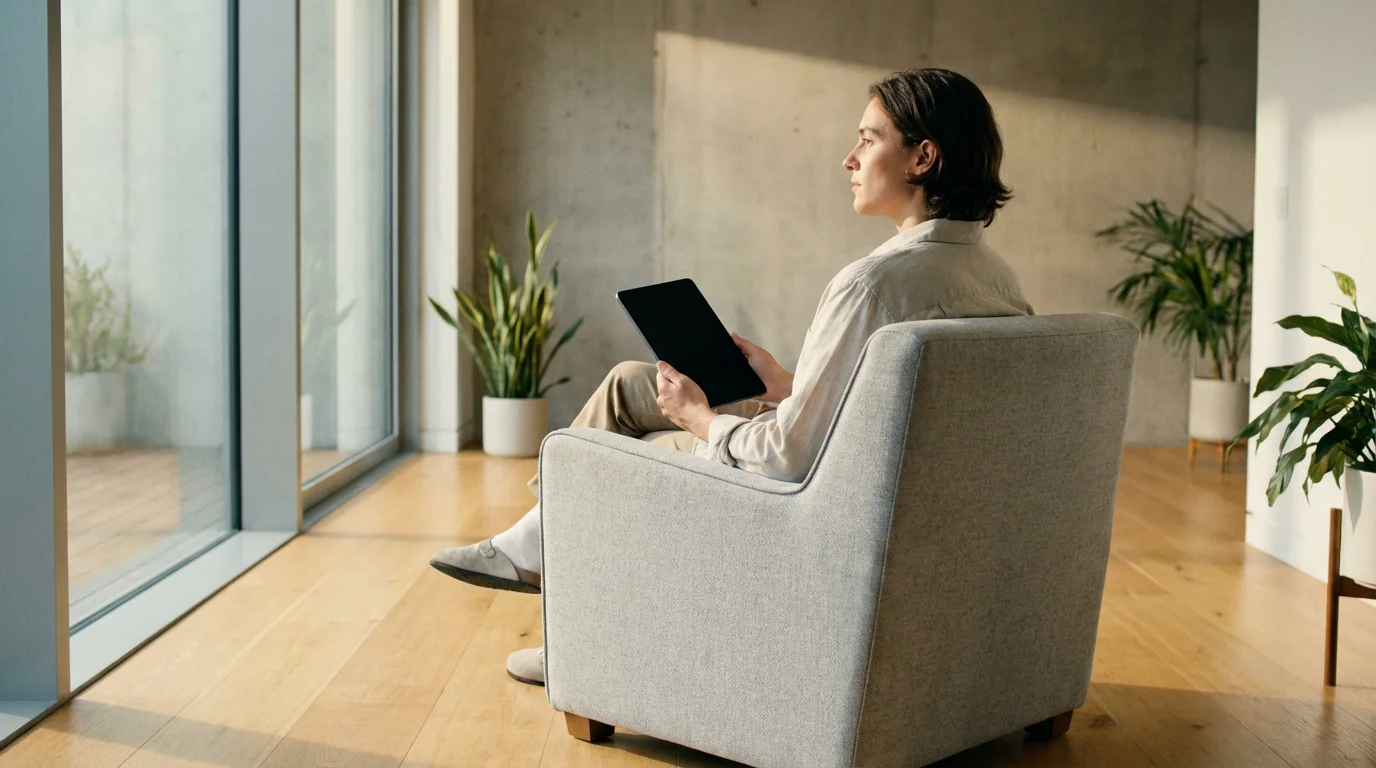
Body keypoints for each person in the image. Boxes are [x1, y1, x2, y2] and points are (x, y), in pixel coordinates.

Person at [429, 68, 1034, 687]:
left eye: (868, 139)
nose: (848, 158)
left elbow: (790, 457)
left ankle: (573, 634)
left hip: (814, 493)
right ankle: (532, 537)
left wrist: (701, 420)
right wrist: (790, 385)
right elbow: (900, 404)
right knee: (630, 382)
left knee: (602, 451)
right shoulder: (997, 280)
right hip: (887, 478)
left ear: (923, 157)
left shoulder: (871, 285)